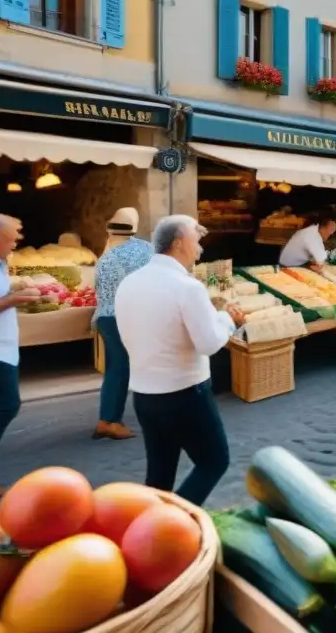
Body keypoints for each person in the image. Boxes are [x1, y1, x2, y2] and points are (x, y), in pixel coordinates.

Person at [115, 216, 246, 506]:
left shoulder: (129, 283)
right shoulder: (188, 287)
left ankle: (148, 532)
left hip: (144, 395)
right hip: (185, 395)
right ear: (178, 243)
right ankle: (174, 523)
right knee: (213, 462)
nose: (200, 247)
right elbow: (209, 343)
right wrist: (227, 319)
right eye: (195, 240)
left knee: (159, 476)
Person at [92, 207, 153, 441]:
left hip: (106, 318)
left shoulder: (105, 256)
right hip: (128, 316)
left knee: (116, 368)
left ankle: (107, 419)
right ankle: (109, 421)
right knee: (125, 368)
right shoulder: (145, 250)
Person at [0, 215, 40, 496]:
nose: (15, 243)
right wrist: (13, 299)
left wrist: (13, 291)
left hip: (2, 347)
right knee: (6, 405)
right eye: (10, 238)